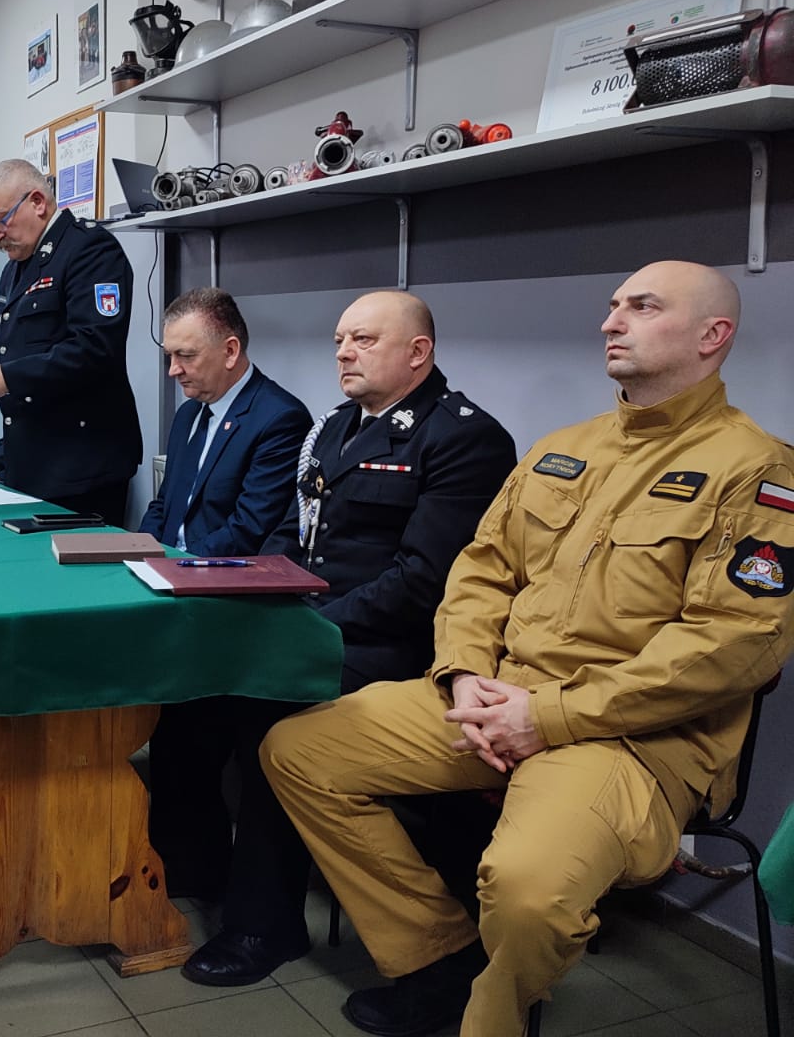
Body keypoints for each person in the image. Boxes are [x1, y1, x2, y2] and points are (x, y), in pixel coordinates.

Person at [261, 261, 794, 1037]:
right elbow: (479, 572)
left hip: (629, 738)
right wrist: (464, 672)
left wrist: (546, 716)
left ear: (713, 336)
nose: (611, 322)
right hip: (496, 698)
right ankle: (438, 957)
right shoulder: (563, 449)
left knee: (526, 890)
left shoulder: (757, 469)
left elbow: (733, 645)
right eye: (613, 305)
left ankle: (492, 1017)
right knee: (297, 751)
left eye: (643, 307)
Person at [159, 289, 515, 987]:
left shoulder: (463, 437)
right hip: (319, 621)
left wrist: (307, 626)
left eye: (364, 340)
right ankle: (193, 865)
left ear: (419, 352)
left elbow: (423, 582)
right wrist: (263, 594)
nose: (345, 353)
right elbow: (293, 535)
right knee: (196, 688)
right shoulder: (333, 427)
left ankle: (263, 924)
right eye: (339, 341)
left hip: (396, 645)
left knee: (271, 712)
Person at [0, 158, 139, 525]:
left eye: (1, 220)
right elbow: (9, 352)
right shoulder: (15, 268)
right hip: (30, 463)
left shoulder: (90, 250)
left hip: (82, 467)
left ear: (38, 202)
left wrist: (6, 379)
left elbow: (95, 349)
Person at [137, 287, 310, 555]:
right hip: (165, 564)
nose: (173, 370)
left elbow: (249, 530)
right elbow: (163, 505)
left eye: (186, 355)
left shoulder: (280, 420)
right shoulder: (188, 414)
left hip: (215, 572)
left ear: (230, 351)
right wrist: (139, 552)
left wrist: (175, 566)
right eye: (169, 356)